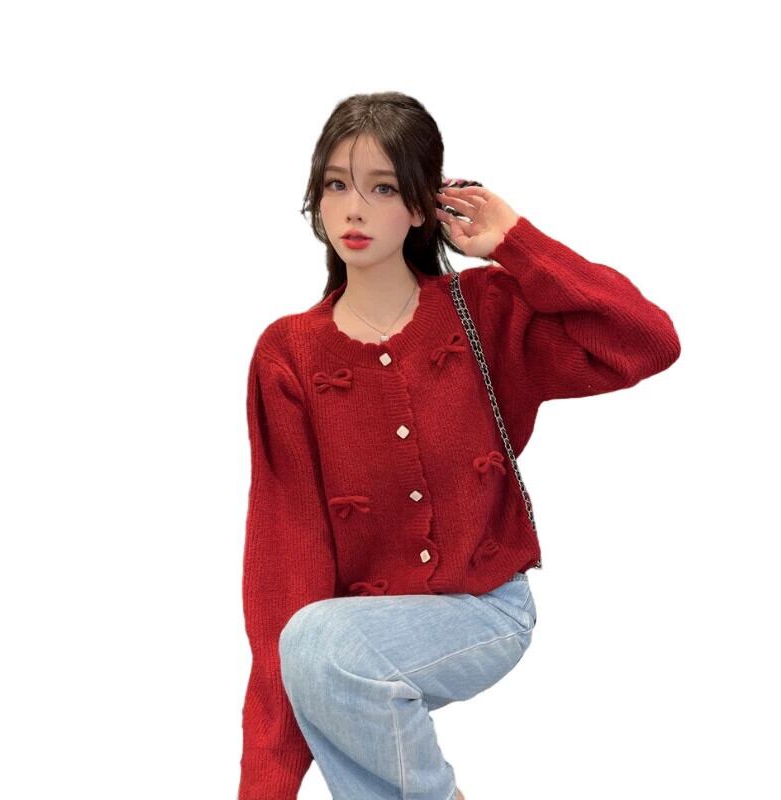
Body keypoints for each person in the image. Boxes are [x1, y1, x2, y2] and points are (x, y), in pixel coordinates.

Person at [237, 91, 681, 800]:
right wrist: (265, 784)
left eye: (383, 188)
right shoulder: (288, 354)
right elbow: (285, 563)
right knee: (315, 647)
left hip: (486, 610)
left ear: (421, 205)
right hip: (352, 638)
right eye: (336, 185)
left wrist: (518, 245)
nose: (354, 210)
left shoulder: (484, 313)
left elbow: (646, 342)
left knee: (321, 647)